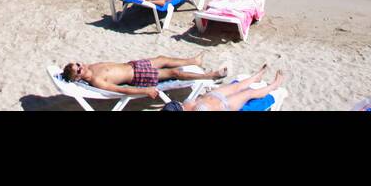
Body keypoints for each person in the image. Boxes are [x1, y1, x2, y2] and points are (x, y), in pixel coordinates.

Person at [60, 56, 227, 97]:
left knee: (162, 59)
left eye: (78, 64)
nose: (81, 67)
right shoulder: (96, 81)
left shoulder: (92, 66)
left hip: (134, 65)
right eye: (78, 70)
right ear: (77, 78)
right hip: (138, 76)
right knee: (173, 73)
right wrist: (145, 91)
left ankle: (193, 60)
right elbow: (119, 89)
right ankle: (210, 75)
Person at [163, 65, 287, 112]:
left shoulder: (173, 108)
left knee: (237, 86)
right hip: (225, 105)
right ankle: (274, 85)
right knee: (249, 93)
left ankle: (255, 78)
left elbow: (179, 105)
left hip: (211, 96)